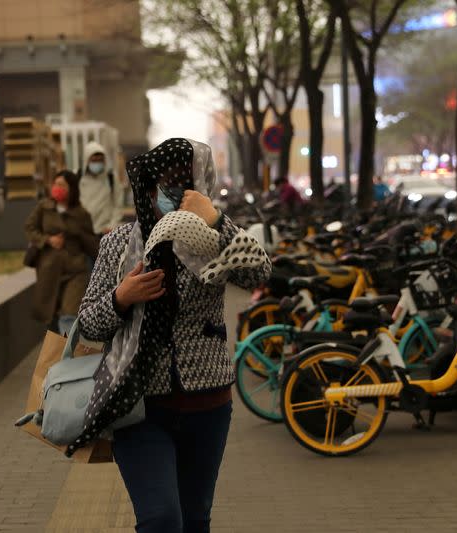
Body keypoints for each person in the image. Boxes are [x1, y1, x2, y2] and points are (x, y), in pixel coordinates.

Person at [74, 138, 272, 532]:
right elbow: (88, 325)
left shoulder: (214, 240)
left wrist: (215, 219)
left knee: (196, 520)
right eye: (160, 184)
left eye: (182, 184)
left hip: (208, 403)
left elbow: (259, 273)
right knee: (161, 519)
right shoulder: (117, 243)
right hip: (138, 403)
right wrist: (121, 298)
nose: (168, 193)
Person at [24, 170, 99, 335]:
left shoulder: (81, 214)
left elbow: (92, 243)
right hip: (49, 270)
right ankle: (56, 354)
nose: (57, 188)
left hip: (75, 270)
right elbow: (30, 228)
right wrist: (47, 239)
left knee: (69, 315)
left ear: (71, 189)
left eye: (62, 185)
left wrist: (79, 233)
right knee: (50, 317)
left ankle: (69, 356)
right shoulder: (44, 207)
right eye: (55, 184)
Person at [79, 141, 125, 234]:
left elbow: (118, 204)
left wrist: (112, 225)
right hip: (83, 231)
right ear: (86, 160)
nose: (97, 163)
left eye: (100, 160)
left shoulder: (111, 178)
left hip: (105, 231)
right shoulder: (78, 177)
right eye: (94, 160)